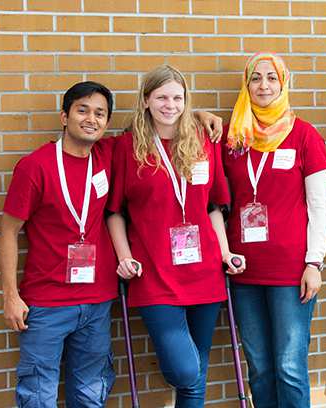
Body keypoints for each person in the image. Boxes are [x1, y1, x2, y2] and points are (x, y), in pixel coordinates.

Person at [105, 65, 243, 407]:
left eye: (178, 98)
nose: (170, 105)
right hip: (154, 274)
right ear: (146, 100)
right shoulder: (126, 147)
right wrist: (125, 256)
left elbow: (214, 206)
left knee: (195, 381)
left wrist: (225, 253)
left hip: (205, 271)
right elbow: (114, 211)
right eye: (162, 97)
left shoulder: (203, 142)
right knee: (186, 370)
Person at [0, 81, 118, 408]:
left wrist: (201, 115)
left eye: (100, 113)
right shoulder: (35, 166)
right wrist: (10, 296)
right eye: (82, 110)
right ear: (64, 117)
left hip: (97, 301)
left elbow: (161, 122)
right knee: (38, 397)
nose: (91, 119)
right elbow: (8, 232)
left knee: (90, 397)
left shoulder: (108, 155)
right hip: (46, 304)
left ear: (107, 122)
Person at [221, 52, 326, 408]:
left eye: (272, 78)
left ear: (283, 84)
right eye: (255, 78)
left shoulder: (304, 135)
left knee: (289, 367)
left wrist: (314, 263)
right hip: (244, 271)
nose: (263, 85)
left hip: (291, 273)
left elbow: (319, 206)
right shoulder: (233, 137)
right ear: (246, 85)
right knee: (260, 368)